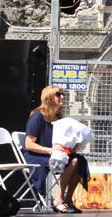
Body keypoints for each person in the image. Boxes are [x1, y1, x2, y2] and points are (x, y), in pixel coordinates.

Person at [24, 85, 88, 214]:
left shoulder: (59, 118)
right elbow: (29, 144)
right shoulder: (37, 116)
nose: (62, 97)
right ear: (48, 98)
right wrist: (50, 150)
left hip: (55, 154)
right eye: (58, 94)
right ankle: (58, 200)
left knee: (79, 160)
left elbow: (61, 141)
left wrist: (71, 146)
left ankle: (68, 200)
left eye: (62, 94)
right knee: (73, 161)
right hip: (38, 155)